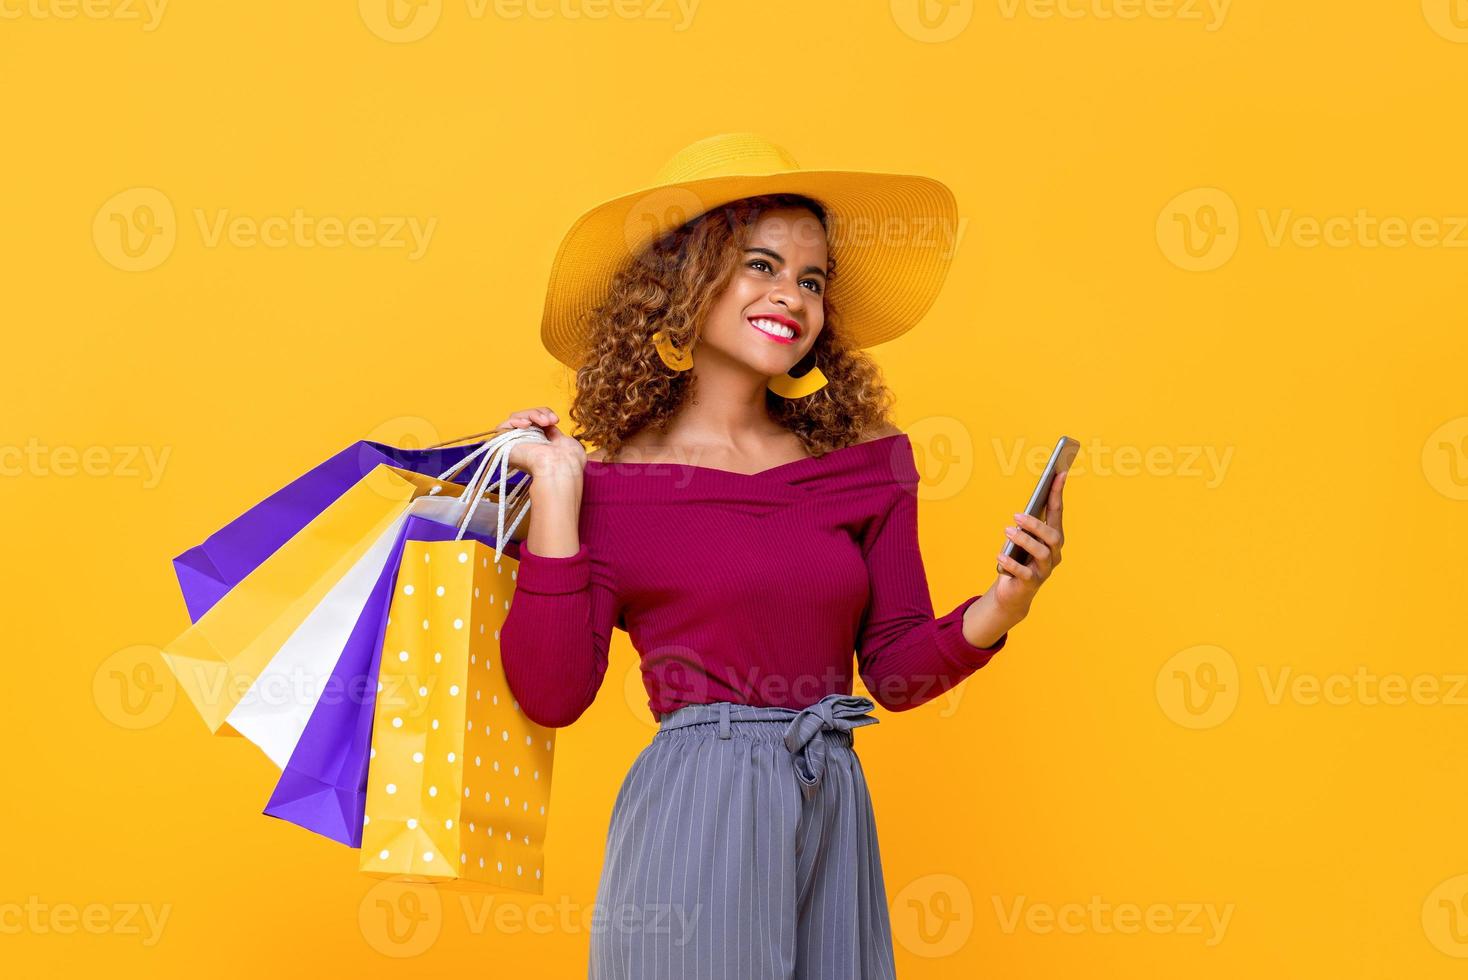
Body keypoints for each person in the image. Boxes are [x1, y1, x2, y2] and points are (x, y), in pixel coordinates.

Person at [494, 133, 1068, 979]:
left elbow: (898, 672)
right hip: (699, 811)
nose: (791, 297)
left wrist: (1004, 604)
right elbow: (549, 694)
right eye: (760, 265)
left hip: (832, 801)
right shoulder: (607, 487)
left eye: (811, 280)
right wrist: (552, 491)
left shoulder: (864, 464)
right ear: (685, 280)